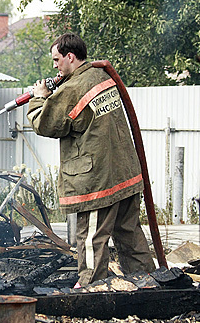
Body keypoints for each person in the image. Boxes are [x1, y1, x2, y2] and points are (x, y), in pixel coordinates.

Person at [27, 33, 155, 286]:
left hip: (98, 180)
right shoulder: (100, 76)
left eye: (56, 60)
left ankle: (91, 287)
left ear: (70, 57)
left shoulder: (74, 88)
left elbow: (46, 124)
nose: (54, 66)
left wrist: (39, 96)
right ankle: (147, 282)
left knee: (91, 237)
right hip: (125, 172)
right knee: (128, 232)